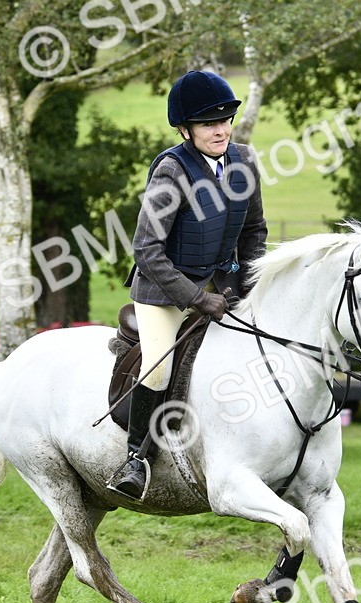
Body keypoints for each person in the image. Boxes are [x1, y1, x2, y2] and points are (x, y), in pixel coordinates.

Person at [106, 70, 268, 499]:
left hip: (222, 283)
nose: (221, 130)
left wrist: (249, 284)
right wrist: (198, 299)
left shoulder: (245, 162)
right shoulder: (172, 171)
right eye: (208, 123)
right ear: (185, 128)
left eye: (226, 120)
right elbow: (146, 249)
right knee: (159, 366)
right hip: (163, 289)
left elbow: (254, 231)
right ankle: (136, 458)